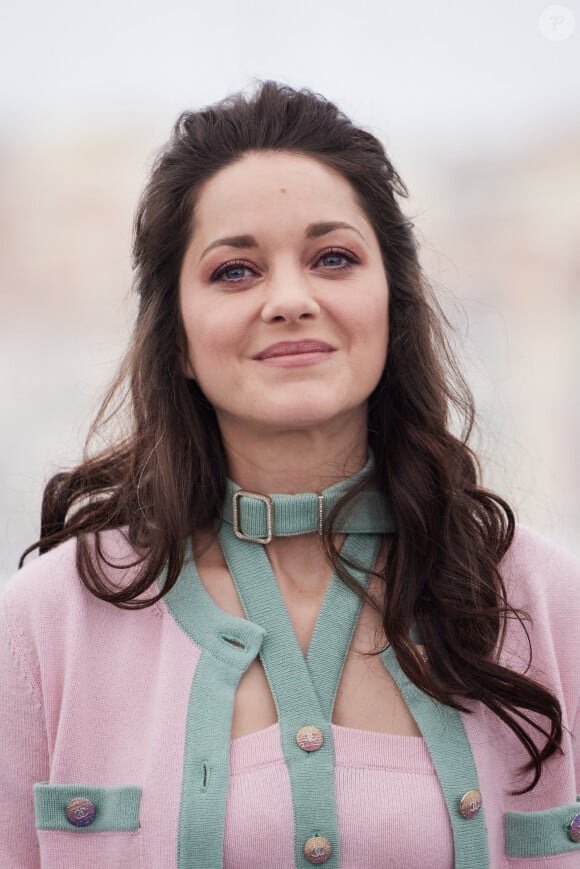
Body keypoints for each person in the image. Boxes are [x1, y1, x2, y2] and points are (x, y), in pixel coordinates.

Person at [0, 80, 578, 869]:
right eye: (235, 270)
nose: (291, 299)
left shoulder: (546, 601)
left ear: (392, 303)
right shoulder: (45, 623)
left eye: (332, 258)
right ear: (175, 339)